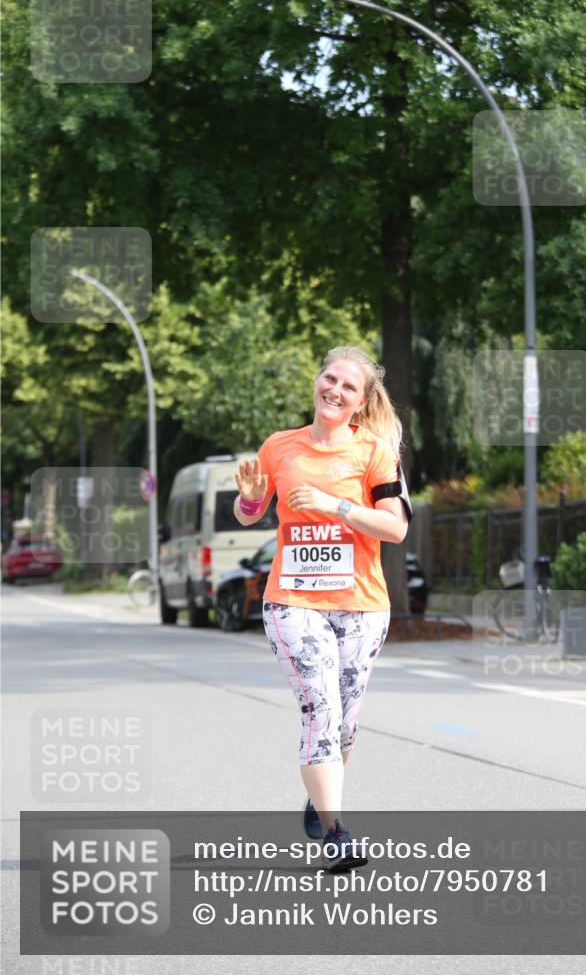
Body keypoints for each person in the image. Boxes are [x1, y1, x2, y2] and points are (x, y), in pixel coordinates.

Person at [233, 346, 410, 873]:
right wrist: (247, 499)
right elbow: (250, 514)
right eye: (329, 378)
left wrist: (336, 506)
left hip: (361, 605)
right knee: (321, 710)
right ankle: (337, 831)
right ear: (317, 382)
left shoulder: (375, 451)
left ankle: (320, 794)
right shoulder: (279, 446)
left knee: (346, 725)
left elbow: (396, 528)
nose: (334, 389)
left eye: (348, 387)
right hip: (293, 600)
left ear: (360, 402)